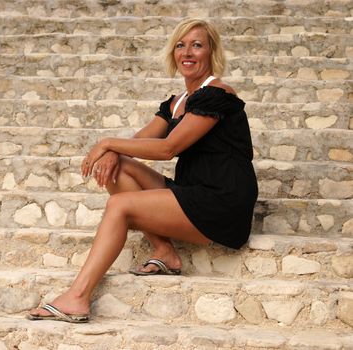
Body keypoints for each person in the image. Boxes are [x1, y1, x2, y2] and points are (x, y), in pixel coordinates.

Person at [28, 18, 258, 323]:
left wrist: (107, 142)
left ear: (211, 52)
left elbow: (167, 149)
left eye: (197, 45)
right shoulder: (178, 102)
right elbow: (139, 142)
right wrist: (113, 151)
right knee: (119, 165)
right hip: (192, 192)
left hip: (222, 201)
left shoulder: (218, 94)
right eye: (180, 45)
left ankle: (78, 296)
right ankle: (165, 251)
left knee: (119, 205)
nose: (187, 52)